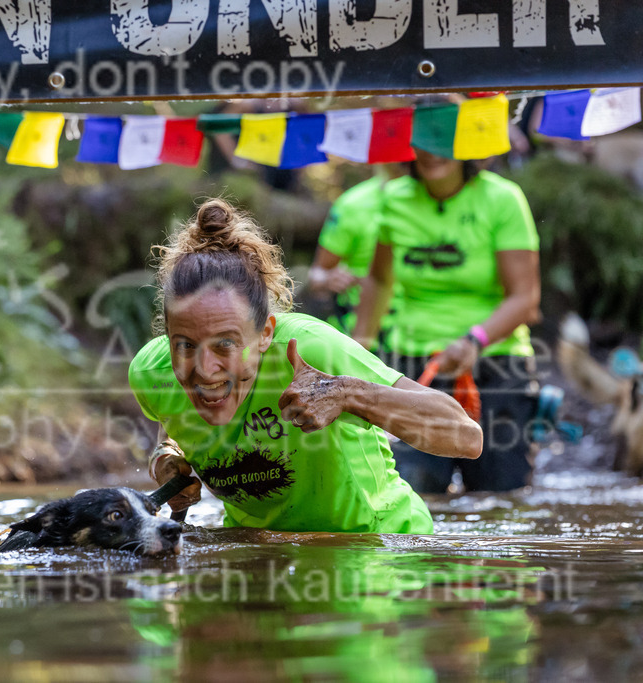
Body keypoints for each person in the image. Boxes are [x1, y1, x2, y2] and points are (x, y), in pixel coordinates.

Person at [129, 198, 481, 533]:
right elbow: (171, 420)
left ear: (266, 332)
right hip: (260, 550)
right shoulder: (152, 374)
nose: (204, 369)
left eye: (225, 344)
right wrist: (167, 455)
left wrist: (346, 393)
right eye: (185, 345)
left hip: (378, 547)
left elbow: (466, 437)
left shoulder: (313, 349)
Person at [352, 147, 541, 493]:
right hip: (414, 370)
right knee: (413, 492)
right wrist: (359, 356)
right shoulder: (395, 199)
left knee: (499, 499)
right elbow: (379, 280)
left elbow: (525, 298)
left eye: (442, 140)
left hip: (494, 367)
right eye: (422, 140)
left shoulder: (502, 198)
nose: (431, 152)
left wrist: (475, 341)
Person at [307, 168, 400, 337]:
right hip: (357, 331)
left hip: (425, 334)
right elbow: (316, 275)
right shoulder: (353, 204)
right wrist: (330, 279)